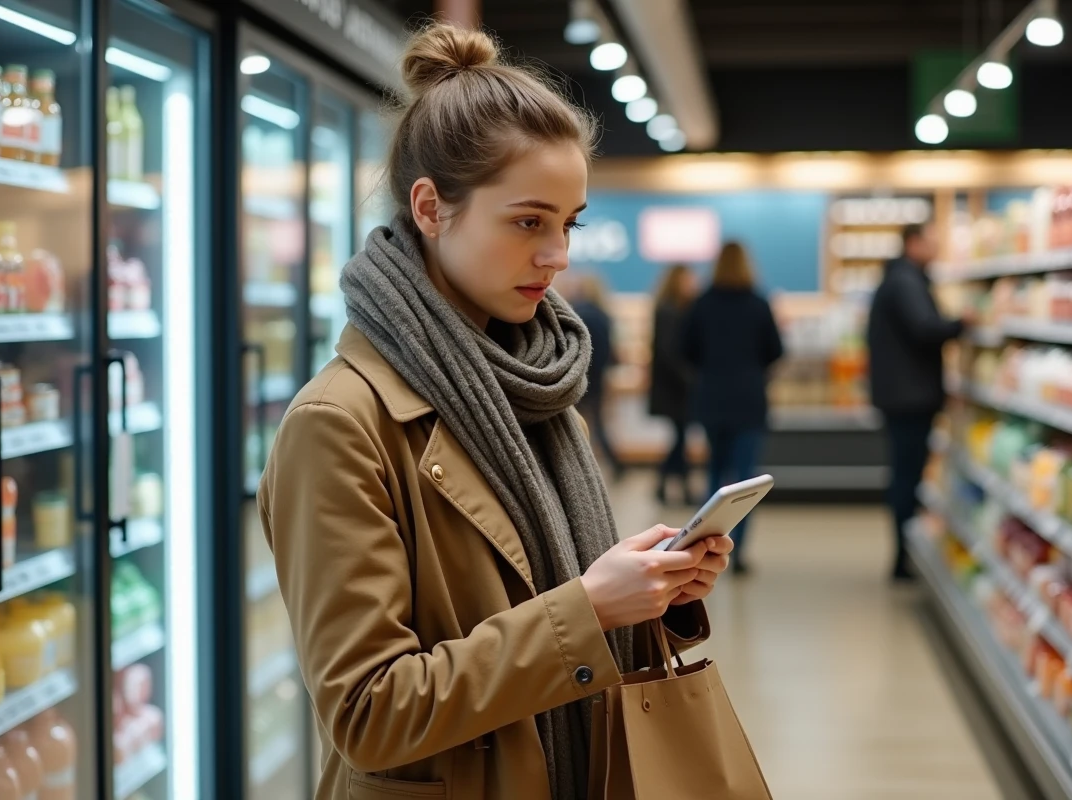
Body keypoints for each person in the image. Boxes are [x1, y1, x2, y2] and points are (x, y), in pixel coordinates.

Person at [256, 24, 734, 800]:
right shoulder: (341, 425)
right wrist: (587, 608)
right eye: (528, 222)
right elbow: (370, 712)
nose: (559, 255)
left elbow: (554, 621)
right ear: (431, 208)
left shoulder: (544, 398)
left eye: (568, 222)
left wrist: (650, 598)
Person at [867, 222, 966, 582]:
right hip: (909, 398)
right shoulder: (906, 282)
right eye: (930, 240)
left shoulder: (897, 279)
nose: (936, 246)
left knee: (904, 473)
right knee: (907, 476)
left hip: (901, 395)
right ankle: (902, 559)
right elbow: (925, 328)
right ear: (913, 243)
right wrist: (961, 323)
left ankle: (904, 553)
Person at [683, 242, 783, 574]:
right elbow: (776, 350)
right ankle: (737, 552)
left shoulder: (702, 304)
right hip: (749, 399)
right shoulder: (758, 303)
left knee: (714, 475)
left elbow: (686, 349)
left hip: (713, 397)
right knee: (745, 480)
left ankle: (705, 549)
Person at [649, 264, 698, 505]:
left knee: (680, 437)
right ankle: (679, 485)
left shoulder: (673, 309)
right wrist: (690, 378)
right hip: (674, 390)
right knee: (680, 437)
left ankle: (667, 484)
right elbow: (669, 353)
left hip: (673, 388)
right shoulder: (670, 311)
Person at [570, 274, 623, 479]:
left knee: (575, 425)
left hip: (579, 377)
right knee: (598, 425)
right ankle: (615, 464)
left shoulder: (578, 314)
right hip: (597, 378)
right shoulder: (604, 316)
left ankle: (582, 468)